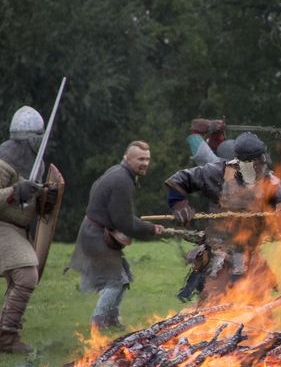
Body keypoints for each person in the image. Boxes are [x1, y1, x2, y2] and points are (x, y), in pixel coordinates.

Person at [165, 132, 281, 304]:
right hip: (219, 255)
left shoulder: (269, 180)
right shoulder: (216, 172)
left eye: (261, 163)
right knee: (212, 310)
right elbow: (179, 180)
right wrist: (179, 205)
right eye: (255, 164)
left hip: (250, 255)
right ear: (241, 163)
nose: (260, 168)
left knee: (258, 312)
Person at [69, 141, 164, 330]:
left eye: (147, 159)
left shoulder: (119, 173)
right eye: (140, 159)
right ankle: (98, 323)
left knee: (123, 278)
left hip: (97, 231)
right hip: (96, 235)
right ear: (127, 158)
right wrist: (151, 229)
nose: (145, 163)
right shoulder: (122, 180)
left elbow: (97, 189)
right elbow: (125, 222)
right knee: (114, 281)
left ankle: (111, 320)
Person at [0, 106, 56, 352]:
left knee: (20, 278)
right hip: (3, 225)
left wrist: (46, 197)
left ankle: (6, 328)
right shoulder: (4, 162)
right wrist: (15, 192)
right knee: (26, 275)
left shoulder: (37, 163)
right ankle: (7, 337)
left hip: (20, 228)